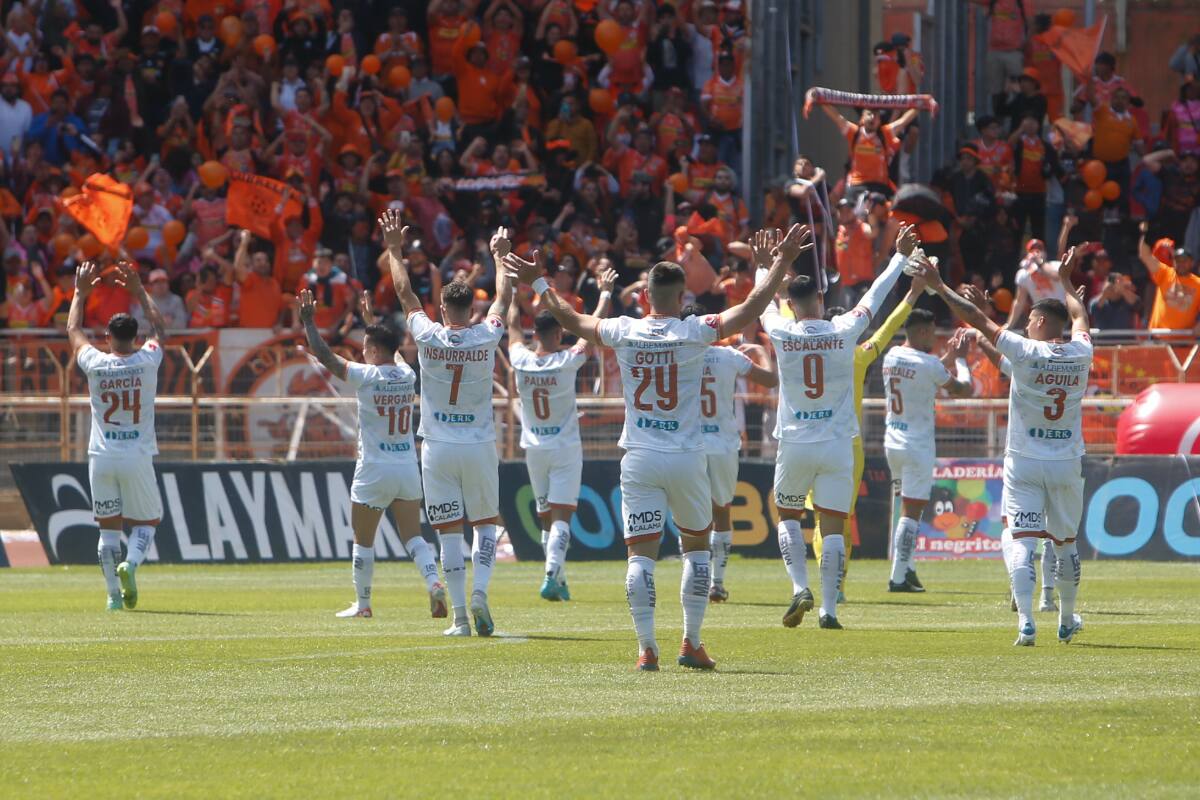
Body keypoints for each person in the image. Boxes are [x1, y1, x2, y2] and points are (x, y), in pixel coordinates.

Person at [503, 223, 811, 671]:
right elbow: (749, 309)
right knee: (697, 549)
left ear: (645, 295)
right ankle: (691, 642)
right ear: (682, 296)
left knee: (640, 555)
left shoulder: (624, 329)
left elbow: (570, 321)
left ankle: (646, 648)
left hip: (640, 457)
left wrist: (538, 283)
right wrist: (780, 263)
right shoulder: (695, 331)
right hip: (686, 457)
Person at [920, 248, 1091, 646]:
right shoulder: (1082, 352)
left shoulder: (1026, 351)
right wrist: (1067, 282)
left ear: (1041, 321)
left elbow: (977, 318)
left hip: (1025, 461)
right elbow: (1080, 317)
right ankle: (1066, 619)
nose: (1026, 323)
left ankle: (1026, 623)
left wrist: (940, 286)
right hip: (1066, 461)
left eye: (1030, 318)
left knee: (1022, 540)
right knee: (1065, 544)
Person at [765, 224, 918, 631]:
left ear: (790, 304)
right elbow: (875, 296)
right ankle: (829, 609)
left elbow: (760, 303)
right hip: (837, 444)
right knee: (834, 525)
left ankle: (800, 587)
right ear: (820, 299)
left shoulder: (780, 330)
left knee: (788, 515)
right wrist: (899, 257)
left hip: (795, 441)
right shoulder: (844, 329)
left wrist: (769, 266)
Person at [380, 209, 514, 638]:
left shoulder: (428, 334)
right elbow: (504, 300)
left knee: (449, 532)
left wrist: (394, 249)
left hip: (437, 446)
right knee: (486, 523)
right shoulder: (486, 335)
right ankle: (481, 594)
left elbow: (404, 293)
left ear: (442, 309)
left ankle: (459, 617)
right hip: (478, 444)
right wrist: (500, 258)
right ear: (472, 309)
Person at [298, 290, 447, 622]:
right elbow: (395, 356)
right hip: (406, 467)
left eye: (365, 347)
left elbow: (325, 356)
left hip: (374, 468)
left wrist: (308, 323)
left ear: (375, 351)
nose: (362, 352)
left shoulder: (367, 376)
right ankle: (434, 582)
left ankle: (363, 604)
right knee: (413, 536)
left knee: (363, 539)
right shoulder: (407, 375)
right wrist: (371, 322)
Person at [506, 268, 616, 603]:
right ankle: (551, 574)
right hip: (565, 447)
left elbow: (512, 326)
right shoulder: (568, 360)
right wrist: (605, 293)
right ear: (558, 331)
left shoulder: (520, 359)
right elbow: (592, 328)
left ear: (535, 333)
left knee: (546, 518)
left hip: (534, 448)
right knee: (562, 516)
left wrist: (511, 290)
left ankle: (560, 579)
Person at [67, 261, 166, 611]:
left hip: (101, 456)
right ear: (136, 339)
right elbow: (160, 328)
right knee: (148, 522)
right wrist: (139, 290)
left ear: (108, 338)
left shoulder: (95, 363)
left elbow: (73, 329)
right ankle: (131, 564)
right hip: (136, 455)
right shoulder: (147, 361)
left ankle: (112, 597)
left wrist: (80, 293)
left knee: (107, 530)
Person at [680, 301, 777, 603]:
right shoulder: (728, 356)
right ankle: (717, 583)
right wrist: (761, 352)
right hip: (721, 444)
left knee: (689, 515)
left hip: (687, 445)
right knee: (721, 511)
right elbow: (771, 380)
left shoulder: (675, 357)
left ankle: (694, 578)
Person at [881, 297, 973, 593]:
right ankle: (898, 577)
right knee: (912, 511)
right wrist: (960, 360)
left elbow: (925, 373)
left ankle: (908, 569)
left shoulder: (892, 355)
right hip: (917, 445)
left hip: (893, 442)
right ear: (922, 332)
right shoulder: (928, 364)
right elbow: (964, 389)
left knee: (905, 506)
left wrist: (946, 358)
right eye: (931, 333)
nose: (934, 338)